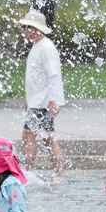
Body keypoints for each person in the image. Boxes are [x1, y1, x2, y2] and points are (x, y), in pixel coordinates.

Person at [19, 9, 65, 176]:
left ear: (37, 29)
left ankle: (26, 170)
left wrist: (53, 100)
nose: (24, 30)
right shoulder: (37, 46)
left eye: (27, 27)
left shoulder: (46, 47)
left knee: (33, 136)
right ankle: (57, 171)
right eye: (23, 27)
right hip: (37, 102)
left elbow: (53, 75)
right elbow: (36, 77)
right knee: (43, 137)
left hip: (43, 103)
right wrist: (29, 100)